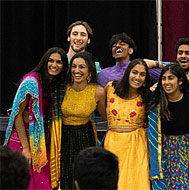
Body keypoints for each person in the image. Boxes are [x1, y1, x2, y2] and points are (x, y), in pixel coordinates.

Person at [3, 47, 68, 189]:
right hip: (23, 139)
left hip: (40, 141)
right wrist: (26, 148)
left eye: (59, 62)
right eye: (51, 61)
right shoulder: (31, 82)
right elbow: (17, 115)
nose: (54, 65)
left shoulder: (53, 85)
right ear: (44, 62)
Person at [145, 38, 189, 148]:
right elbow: (151, 94)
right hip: (168, 143)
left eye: (188, 53)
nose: (183, 56)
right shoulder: (166, 81)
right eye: (180, 53)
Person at [148, 64, 189, 189]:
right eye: (164, 78)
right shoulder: (155, 103)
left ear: (180, 81)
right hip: (162, 152)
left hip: (186, 152)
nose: (167, 82)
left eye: (171, 78)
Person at [60, 51, 106, 189]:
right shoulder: (63, 87)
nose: (77, 71)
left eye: (82, 67)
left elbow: (106, 116)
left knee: (84, 177)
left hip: (85, 137)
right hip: (63, 137)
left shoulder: (98, 91)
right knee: (65, 176)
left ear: (90, 70)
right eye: (74, 66)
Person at [103, 58, 151, 190]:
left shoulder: (147, 95)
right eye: (134, 72)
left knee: (137, 183)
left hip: (137, 145)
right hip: (113, 143)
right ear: (128, 73)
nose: (137, 77)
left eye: (142, 74)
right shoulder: (111, 88)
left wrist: (156, 63)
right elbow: (103, 112)